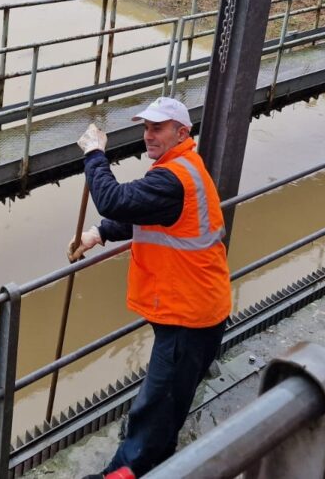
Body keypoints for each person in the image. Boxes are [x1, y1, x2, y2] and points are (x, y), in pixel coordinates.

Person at [68, 96, 232, 477]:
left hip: (187, 314)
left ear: (181, 132)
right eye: (146, 128)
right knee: (167, 399)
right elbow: (149, 216)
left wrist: (94, 155)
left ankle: (125, 471)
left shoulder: (171, 178)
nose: (148, 136)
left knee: (158, 404)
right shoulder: (184, 167)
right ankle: (156, 452)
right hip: (198, 306)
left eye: (157, 128)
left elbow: (113, 199)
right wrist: (100, 234)